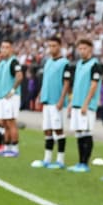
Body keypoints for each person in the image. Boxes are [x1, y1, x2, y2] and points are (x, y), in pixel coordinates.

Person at [31, 35, 71, 170]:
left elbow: (66, 83)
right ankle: (47, 158)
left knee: (58, 130)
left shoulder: (65, 63)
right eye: (50, 46)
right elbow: (45, 81)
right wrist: (40, 95)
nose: (51, 48)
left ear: (59, 46)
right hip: (47, 100)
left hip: (56, 102)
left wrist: (61, 100)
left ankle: (60, 160)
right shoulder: (47, 62)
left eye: (54, 46)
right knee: (47, 130)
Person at [67, 38, 102, 173]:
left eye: (84, 48)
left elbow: (93, 85)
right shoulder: (79, 64)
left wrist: (86, 103)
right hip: (76, 104)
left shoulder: (95, 65)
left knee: (87, 132)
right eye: (80, 49)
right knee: (79, 133)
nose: (82, 51)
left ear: (90, 49)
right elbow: (77, 86)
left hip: (86, 105)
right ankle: (80, 162)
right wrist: (71, 102)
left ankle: (85, 163)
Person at [0, 40, 23, 158]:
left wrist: (12, 91)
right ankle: (7, 148)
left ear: (11, 49)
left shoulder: (13, 61)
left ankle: (15, 149)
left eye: (7, 47)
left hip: (11, 98)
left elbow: (19, 76)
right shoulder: (6, 62)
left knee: (11, 123)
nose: (4, 50)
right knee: (5, 123)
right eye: (2, 47)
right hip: (5, 97)